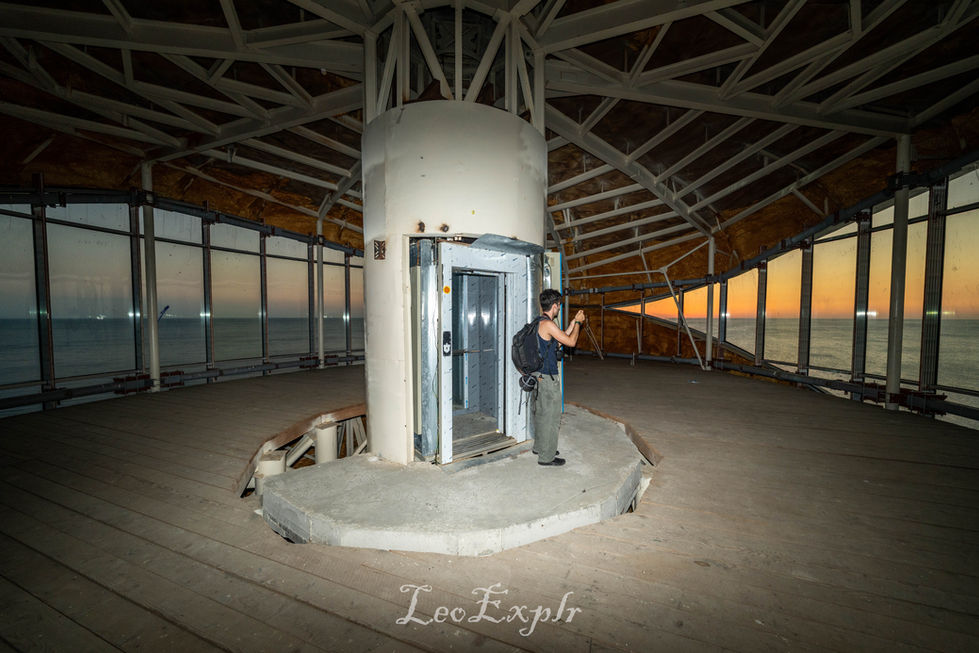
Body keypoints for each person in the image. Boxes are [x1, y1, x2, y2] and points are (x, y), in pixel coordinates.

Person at [534, 289, 585, 467]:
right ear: (554, 306)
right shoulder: (548, 324)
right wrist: (578, 323)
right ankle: (546, 457)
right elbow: (571, 342)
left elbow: (560, 338)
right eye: (559, 306)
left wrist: (572, 324)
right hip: (548, 378)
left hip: (538, 376)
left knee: (541, 413)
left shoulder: (540, 322)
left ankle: (540, 447)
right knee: (552, 417)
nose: (559, 309)